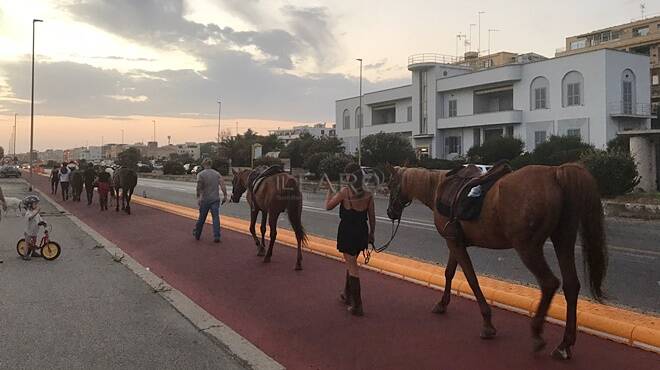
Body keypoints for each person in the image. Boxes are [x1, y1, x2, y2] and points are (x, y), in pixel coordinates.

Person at [325, 162, 375, 316]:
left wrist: (329, 191)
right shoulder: (368, 195)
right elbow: (372, 218)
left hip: (347, 232)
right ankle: (347, 294)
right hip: (361, 232)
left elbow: (328, 206)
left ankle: (357, 305)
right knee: (351, 261)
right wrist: (371, 234)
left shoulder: (344, 192)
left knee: (352, 265)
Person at [193, 158, 228, 243]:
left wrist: (198, 197)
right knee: (215, 217)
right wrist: (225, 195)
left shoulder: (201, 174)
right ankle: (217, 235)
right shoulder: (217, 174)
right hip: (215, 199)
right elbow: (222, 185)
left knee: (202, 217)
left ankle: (197, 234)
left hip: (205, 199)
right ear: (211, 164)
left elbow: (199, 187)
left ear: (203, 164)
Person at [22, 195, 45, 261]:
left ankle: (33, 252)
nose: (37, 205)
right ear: (29, 205)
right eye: (35, 204)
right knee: (27, 242)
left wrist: (43, 222)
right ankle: (25, 255)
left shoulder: (36, 213)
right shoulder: (28, 213)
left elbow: (39, 219)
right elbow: (30, 217)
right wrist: (36, 211)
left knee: (34, 241)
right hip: (28, 232)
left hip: (34, 231)